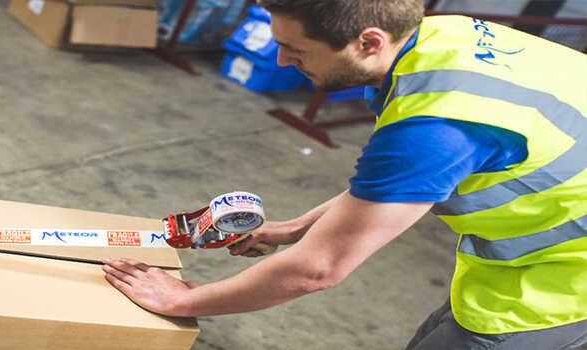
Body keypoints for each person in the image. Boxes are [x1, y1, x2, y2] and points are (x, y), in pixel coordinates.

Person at [102, 0, 587, 348]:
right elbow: (390, 186)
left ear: (368, 41)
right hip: (517, 264)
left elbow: (318, 269)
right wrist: (292, 230)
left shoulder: (437, 124)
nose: (282, 60)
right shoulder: (444, 36)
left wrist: (184, 301)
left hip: (555, 291)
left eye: (296, 48)